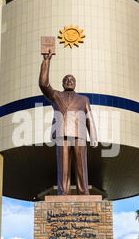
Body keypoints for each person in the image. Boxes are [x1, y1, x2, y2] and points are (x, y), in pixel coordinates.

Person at [39, 49, 98, 195]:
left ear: (75, 84)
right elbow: (43, 84)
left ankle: (83, 192)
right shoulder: (56, 95)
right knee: (63, 167)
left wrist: (94, 136)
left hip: (80, 135)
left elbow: (89, 117)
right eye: (67, 80)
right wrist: (47, 61)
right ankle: (63, 193)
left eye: (72, 80)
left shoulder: (84, 99)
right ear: (63, 83)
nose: (69, 81)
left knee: (81, 166)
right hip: (62, 133)